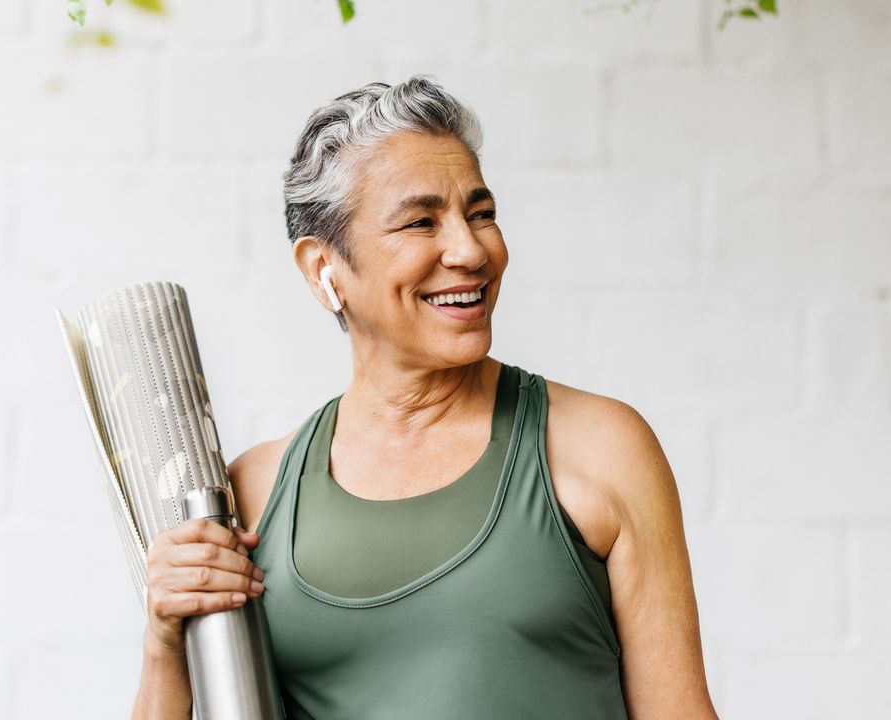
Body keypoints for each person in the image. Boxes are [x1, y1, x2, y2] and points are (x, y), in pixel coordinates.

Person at [132, 75, 718, 720]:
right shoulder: (255, 491)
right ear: (324, 269)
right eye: (420, 222)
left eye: (482, 214)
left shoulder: (598, 447)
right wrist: (165, 640)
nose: (470, 250)